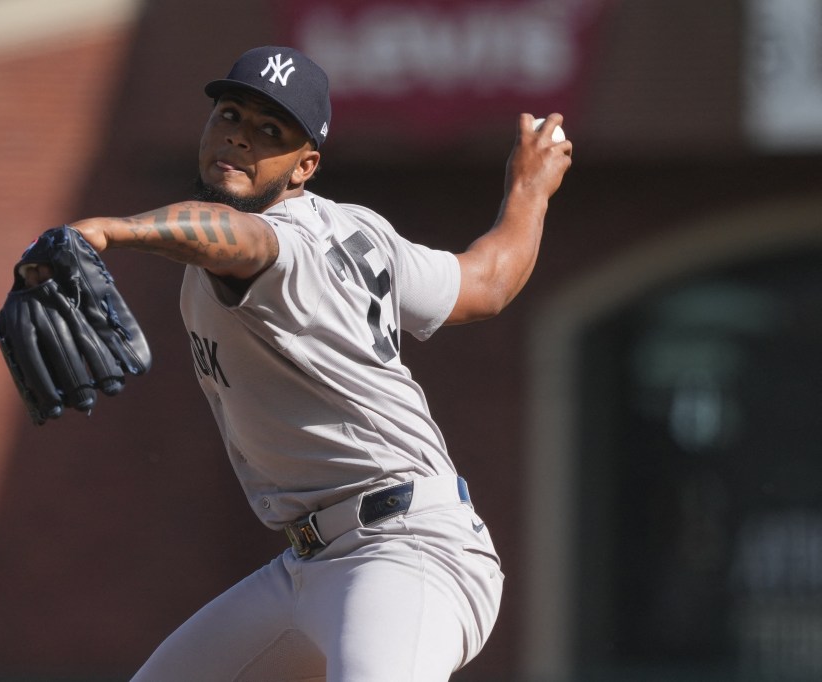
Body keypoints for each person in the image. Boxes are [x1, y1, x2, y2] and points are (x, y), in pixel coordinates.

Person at [65, 45, 571, 681]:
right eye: (230, 115)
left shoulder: (285, 244)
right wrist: (529, 187)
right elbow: (485, 283)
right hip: (311, 567)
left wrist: (109, 230)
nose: (240, 138)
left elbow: (239, 237)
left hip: (409, 555)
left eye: (269, 131)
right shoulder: (358, 231)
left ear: (305, 166)